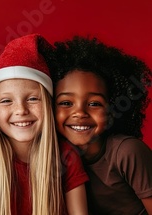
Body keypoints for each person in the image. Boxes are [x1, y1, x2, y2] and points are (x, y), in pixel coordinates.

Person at [0, 34, 89, 215]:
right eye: (6, 101)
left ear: (48, 104)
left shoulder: (66, 156)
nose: (21, 110)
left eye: (33, 98)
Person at [52, 36, 152, 215]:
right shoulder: (53, 157)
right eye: (66, 103)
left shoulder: (127, 152)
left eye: (94, 103)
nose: (80, 113)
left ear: (111, 109)